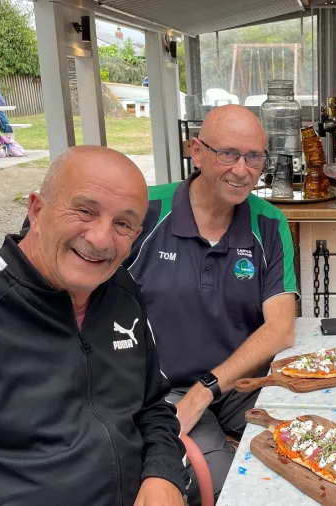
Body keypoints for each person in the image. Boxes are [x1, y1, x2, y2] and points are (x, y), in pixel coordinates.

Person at [0, 146, 189, 506]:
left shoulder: (122, 291)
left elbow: (152, 405)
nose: (101, 239)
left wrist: (162, 474)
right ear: (37, 210)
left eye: (122, 223)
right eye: (84, 211)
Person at [125, 104, 298, 504]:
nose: (243, 170)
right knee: (225, 487)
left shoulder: (270, 223)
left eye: (254, 156)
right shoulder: (146, 212)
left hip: (241, 385)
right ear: (196, 152)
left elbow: (280, 329)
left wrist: (206, 390)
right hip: (163, 392)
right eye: (228, 154)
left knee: (309, 452)